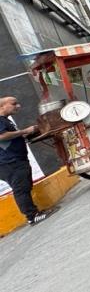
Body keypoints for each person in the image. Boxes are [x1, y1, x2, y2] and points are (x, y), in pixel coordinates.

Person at [0, 96, 51, 225]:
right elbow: (2, 136)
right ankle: (32, 216)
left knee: (24, 186)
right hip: (10, 162)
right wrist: (24, 131)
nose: (18, 106)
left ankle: (33, 213)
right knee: (20, 189)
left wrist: (28, 132)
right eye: (13, 104)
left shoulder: (6, 120)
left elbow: (11, 137)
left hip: (16, 159)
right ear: (2, 106)